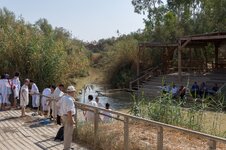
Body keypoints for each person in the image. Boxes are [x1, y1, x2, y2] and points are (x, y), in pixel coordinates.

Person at [61, 85, 76, 150]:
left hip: (64, 116)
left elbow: (58, 104)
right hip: (68, 116)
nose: (74, 93)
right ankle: (67, 148)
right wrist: (72, 120)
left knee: (66, 132)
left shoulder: (64, 97)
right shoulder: (69, 100)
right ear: (71, 92)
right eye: (74, 92)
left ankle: (67, 146)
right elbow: (69, 111)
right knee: (69, 133)